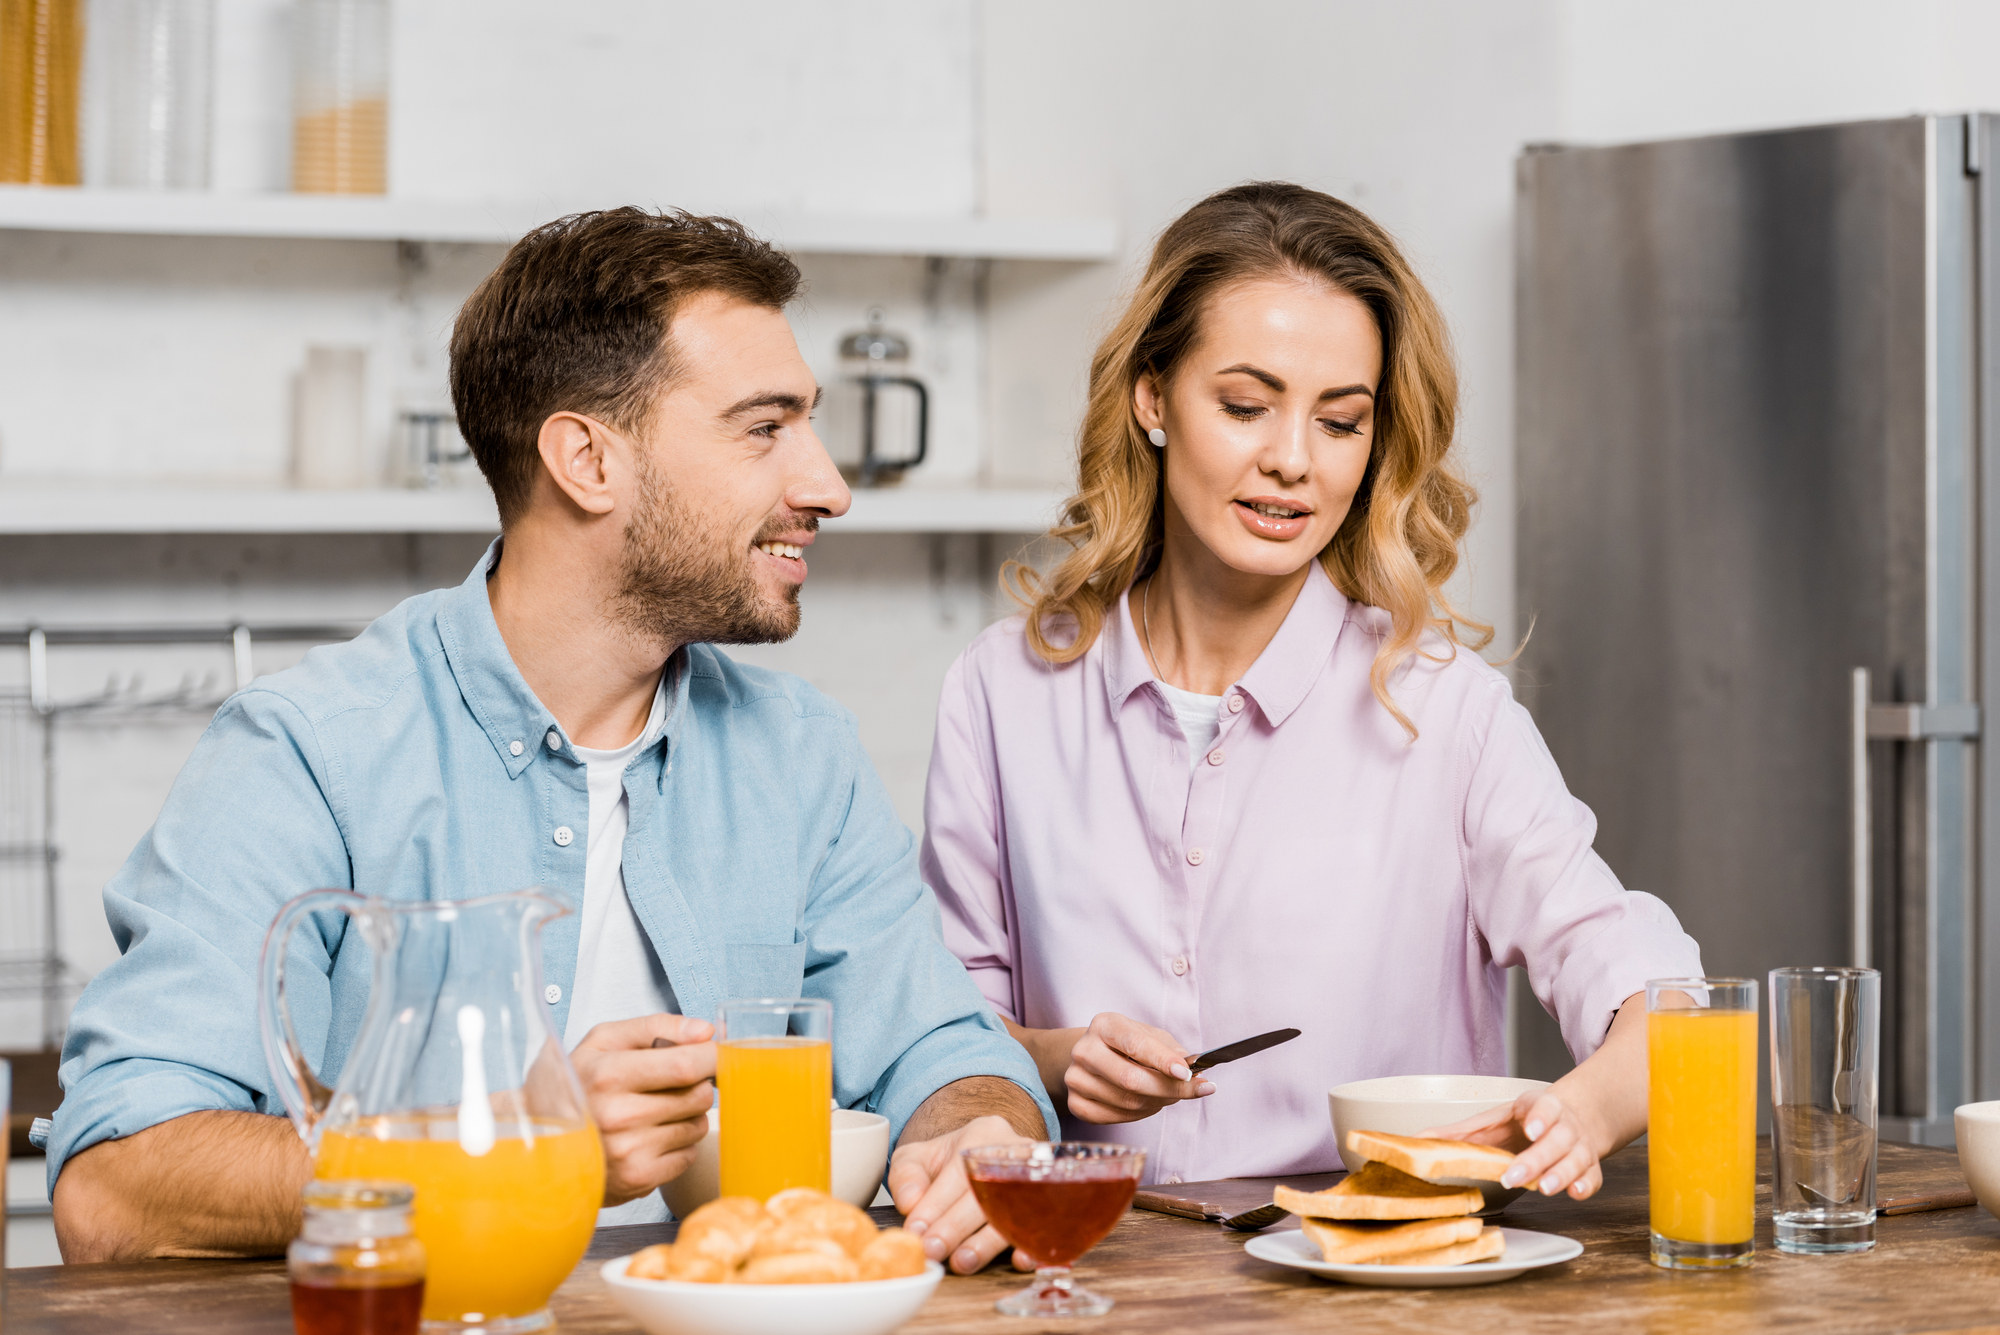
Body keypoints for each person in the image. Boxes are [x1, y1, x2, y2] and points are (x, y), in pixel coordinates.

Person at [47, 208, 1054, 1274]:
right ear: (585, 458)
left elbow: (940, 1050)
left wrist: (975, 1131)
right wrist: (511, 1144)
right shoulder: (308, 753)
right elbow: (117, 1188)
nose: (827, 488)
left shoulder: (798, 753)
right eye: (764, 428)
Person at [920, 182, 1702, 1199]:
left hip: (1379, 1275)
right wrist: (1062, 1060)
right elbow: (937, 1034)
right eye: (1244, 406)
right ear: (1151, 397)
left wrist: (1583, 1112)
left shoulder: (1441, 709)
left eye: (1339, 423)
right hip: (1089, 1272)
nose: (1290, 461)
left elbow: (1663, 995)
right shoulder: (1001, 693)